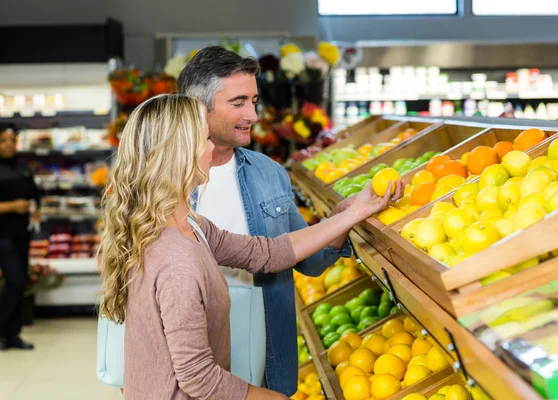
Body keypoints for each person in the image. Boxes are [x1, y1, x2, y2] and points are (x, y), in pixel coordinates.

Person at [98, 94, 402, 400]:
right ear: (180, 153)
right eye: (204, 138)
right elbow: (197, 377)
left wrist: (353, 213)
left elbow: (267, 253)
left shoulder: (190, 227)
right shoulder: (176, 260)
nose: (211, 147)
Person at [177, 46, 356, 395]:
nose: (254, 115)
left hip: (265, 356)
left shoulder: (268, 173)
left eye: (254, 101)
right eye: (239, 102)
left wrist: (342, 220)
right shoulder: (163, 183)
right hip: (193, 358)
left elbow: (310, 260)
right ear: (199, 108)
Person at [0, 123, 39, 350]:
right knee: (13, 280)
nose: (9, 144)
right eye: (3, 140)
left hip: (21, 234)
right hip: (2, 234)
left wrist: (36, 208)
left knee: (20, 281)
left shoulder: (22, 168)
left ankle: (12, 334)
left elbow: (34, 195)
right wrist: (12, 206)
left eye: (12, 140)